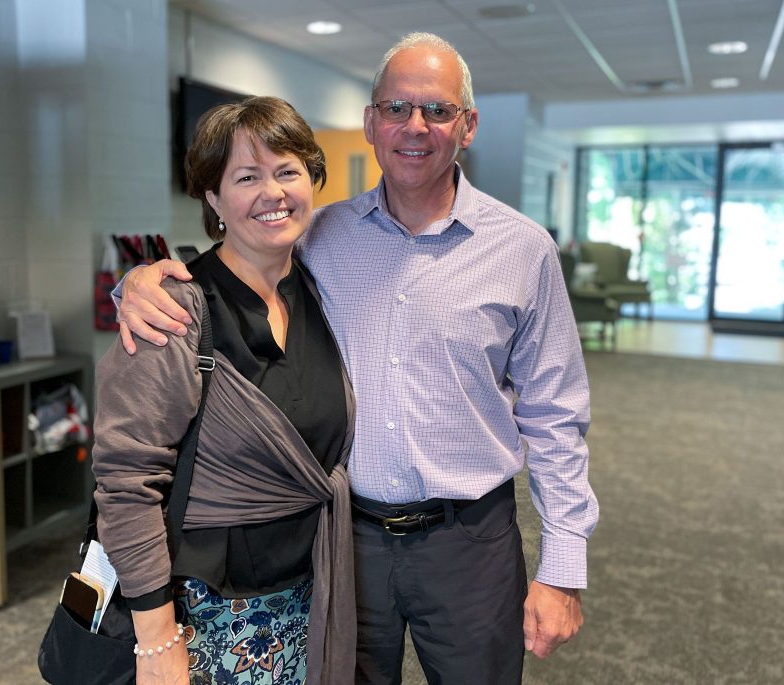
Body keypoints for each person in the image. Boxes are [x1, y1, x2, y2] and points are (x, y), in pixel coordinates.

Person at [115, 33, 599, 685]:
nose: (415, 127)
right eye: (396, 109)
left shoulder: (524, 250)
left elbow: (556, 416)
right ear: (371, 123)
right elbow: (228, 267)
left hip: (470, 541)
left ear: (469, 124)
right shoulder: (319, 234)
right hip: (346, 539)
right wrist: (137, 283)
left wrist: (562, 567)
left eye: (437, 109)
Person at [92, 95, 356, 685]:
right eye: (247, 177)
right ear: (213, 198)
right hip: (202, 615)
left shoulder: (323, 292)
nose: (273, 192)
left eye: (288, 171)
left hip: (310, 596)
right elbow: (127, 483)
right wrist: (156, 641)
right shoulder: (173, 310)